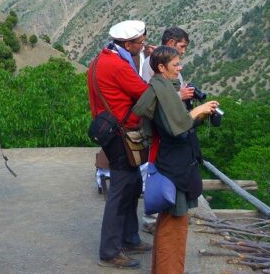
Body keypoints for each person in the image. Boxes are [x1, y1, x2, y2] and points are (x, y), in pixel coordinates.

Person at [132, 46, 218, 274]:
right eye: (175, 65)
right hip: (174, 167)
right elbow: (177, 127)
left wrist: (200, 115)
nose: (180, 68)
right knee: (175, 225)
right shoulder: (164, 92)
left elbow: (178, 122)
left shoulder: (163, 89)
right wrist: (199, 109)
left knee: (168, 223)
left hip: (171, 162)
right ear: (161, 67)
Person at [89, 20, 153, 269]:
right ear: (127, 44)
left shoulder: (101, 60)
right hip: (121, 133)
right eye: (140, 42)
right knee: (120, 190)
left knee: (132, 183)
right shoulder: (117, 65)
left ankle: (129, 237)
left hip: (109, 129)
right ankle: (110, 252)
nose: (143, 45)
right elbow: (145, 93)